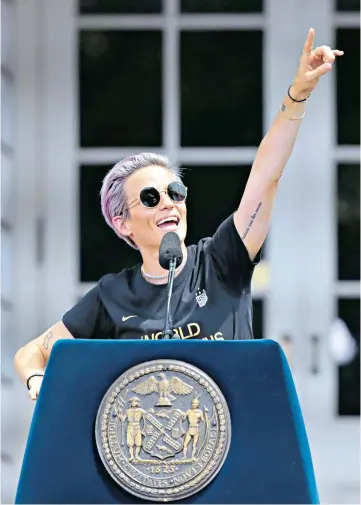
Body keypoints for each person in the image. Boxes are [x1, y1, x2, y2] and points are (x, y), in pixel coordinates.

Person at [14, 28, 344, 401]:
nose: (169, 203)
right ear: (122, 222)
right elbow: (30, 354)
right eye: (151, 197)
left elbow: (266, 176)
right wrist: (36, 383)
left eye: (175, 192)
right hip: (153, 454)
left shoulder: (221, 260)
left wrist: (297, 95)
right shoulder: (112, 295)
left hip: (237, 442)